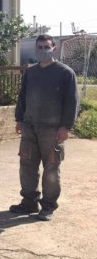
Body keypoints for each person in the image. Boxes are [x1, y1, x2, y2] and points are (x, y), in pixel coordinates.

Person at [10, 34, 78, 221]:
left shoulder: (65, 73)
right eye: (39, 47)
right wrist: (19, 119)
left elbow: (72, 102)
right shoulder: (31, 72)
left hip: (52, 130)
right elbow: (22, 97)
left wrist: (66, 127)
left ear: (54, 48)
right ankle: (29, 202)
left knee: (51, 169)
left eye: (46, 47)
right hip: (30, 127)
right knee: (27, 166)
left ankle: (48, 206)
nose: (43, 51)